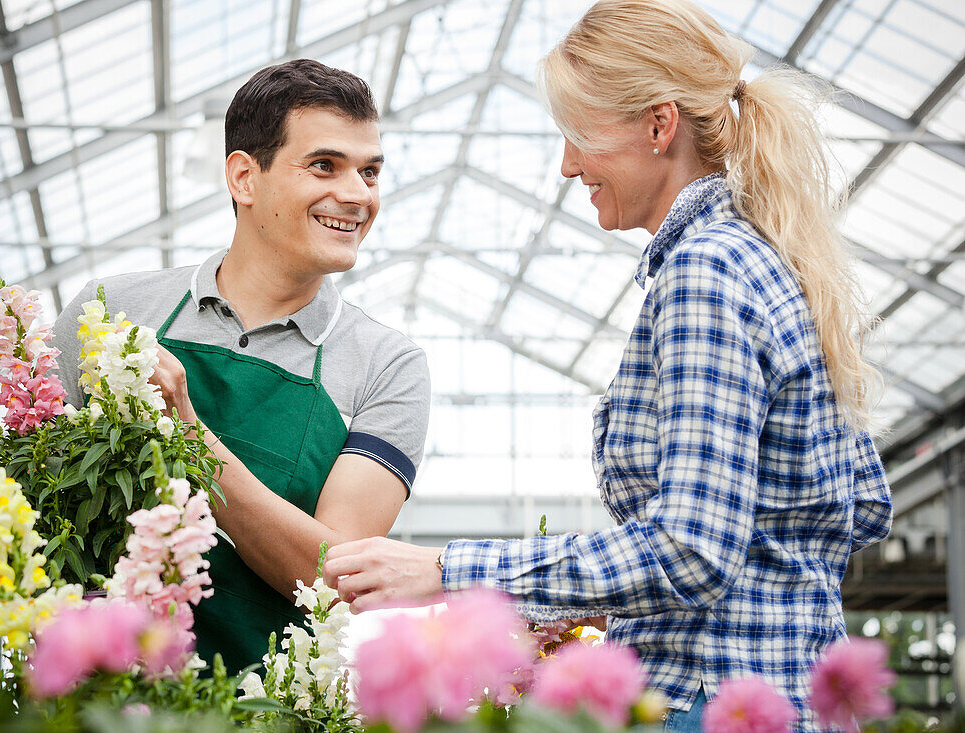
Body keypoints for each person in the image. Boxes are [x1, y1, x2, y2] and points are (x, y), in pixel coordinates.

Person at [322, 1, 893, 730]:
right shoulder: (768, 260)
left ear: (659, 125)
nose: (567, 165)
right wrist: (577, 604)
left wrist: (442, 570)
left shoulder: (706, 275)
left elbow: (691, 549)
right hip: (784, 695)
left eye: (578, 134)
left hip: (708, 701)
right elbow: (843, 509)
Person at [54, 59, 431, 674]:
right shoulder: (107, 314)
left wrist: (187, 436)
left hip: (266, 705)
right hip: (92, 698)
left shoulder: (388, 367)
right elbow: (32, 508)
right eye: (324, 166)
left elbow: (335, 580)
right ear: (243, 177)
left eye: (369, 172)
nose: (358, 195)